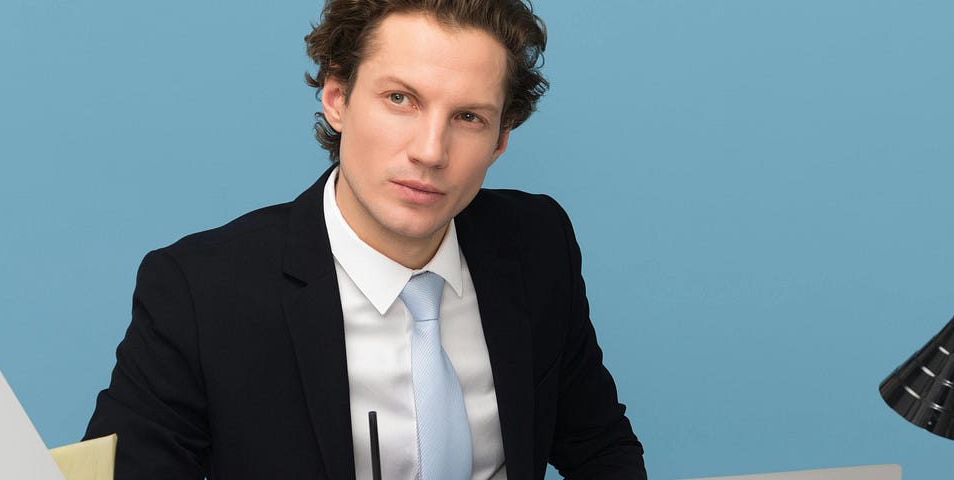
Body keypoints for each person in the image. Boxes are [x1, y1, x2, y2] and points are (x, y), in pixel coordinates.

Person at [82, 0, 646, 478]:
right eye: (401, 98)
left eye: (469, 117)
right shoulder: (199, 293)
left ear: (501, 140)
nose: (430, 151)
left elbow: (601, 450)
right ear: (337, 99)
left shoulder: (537, 243)